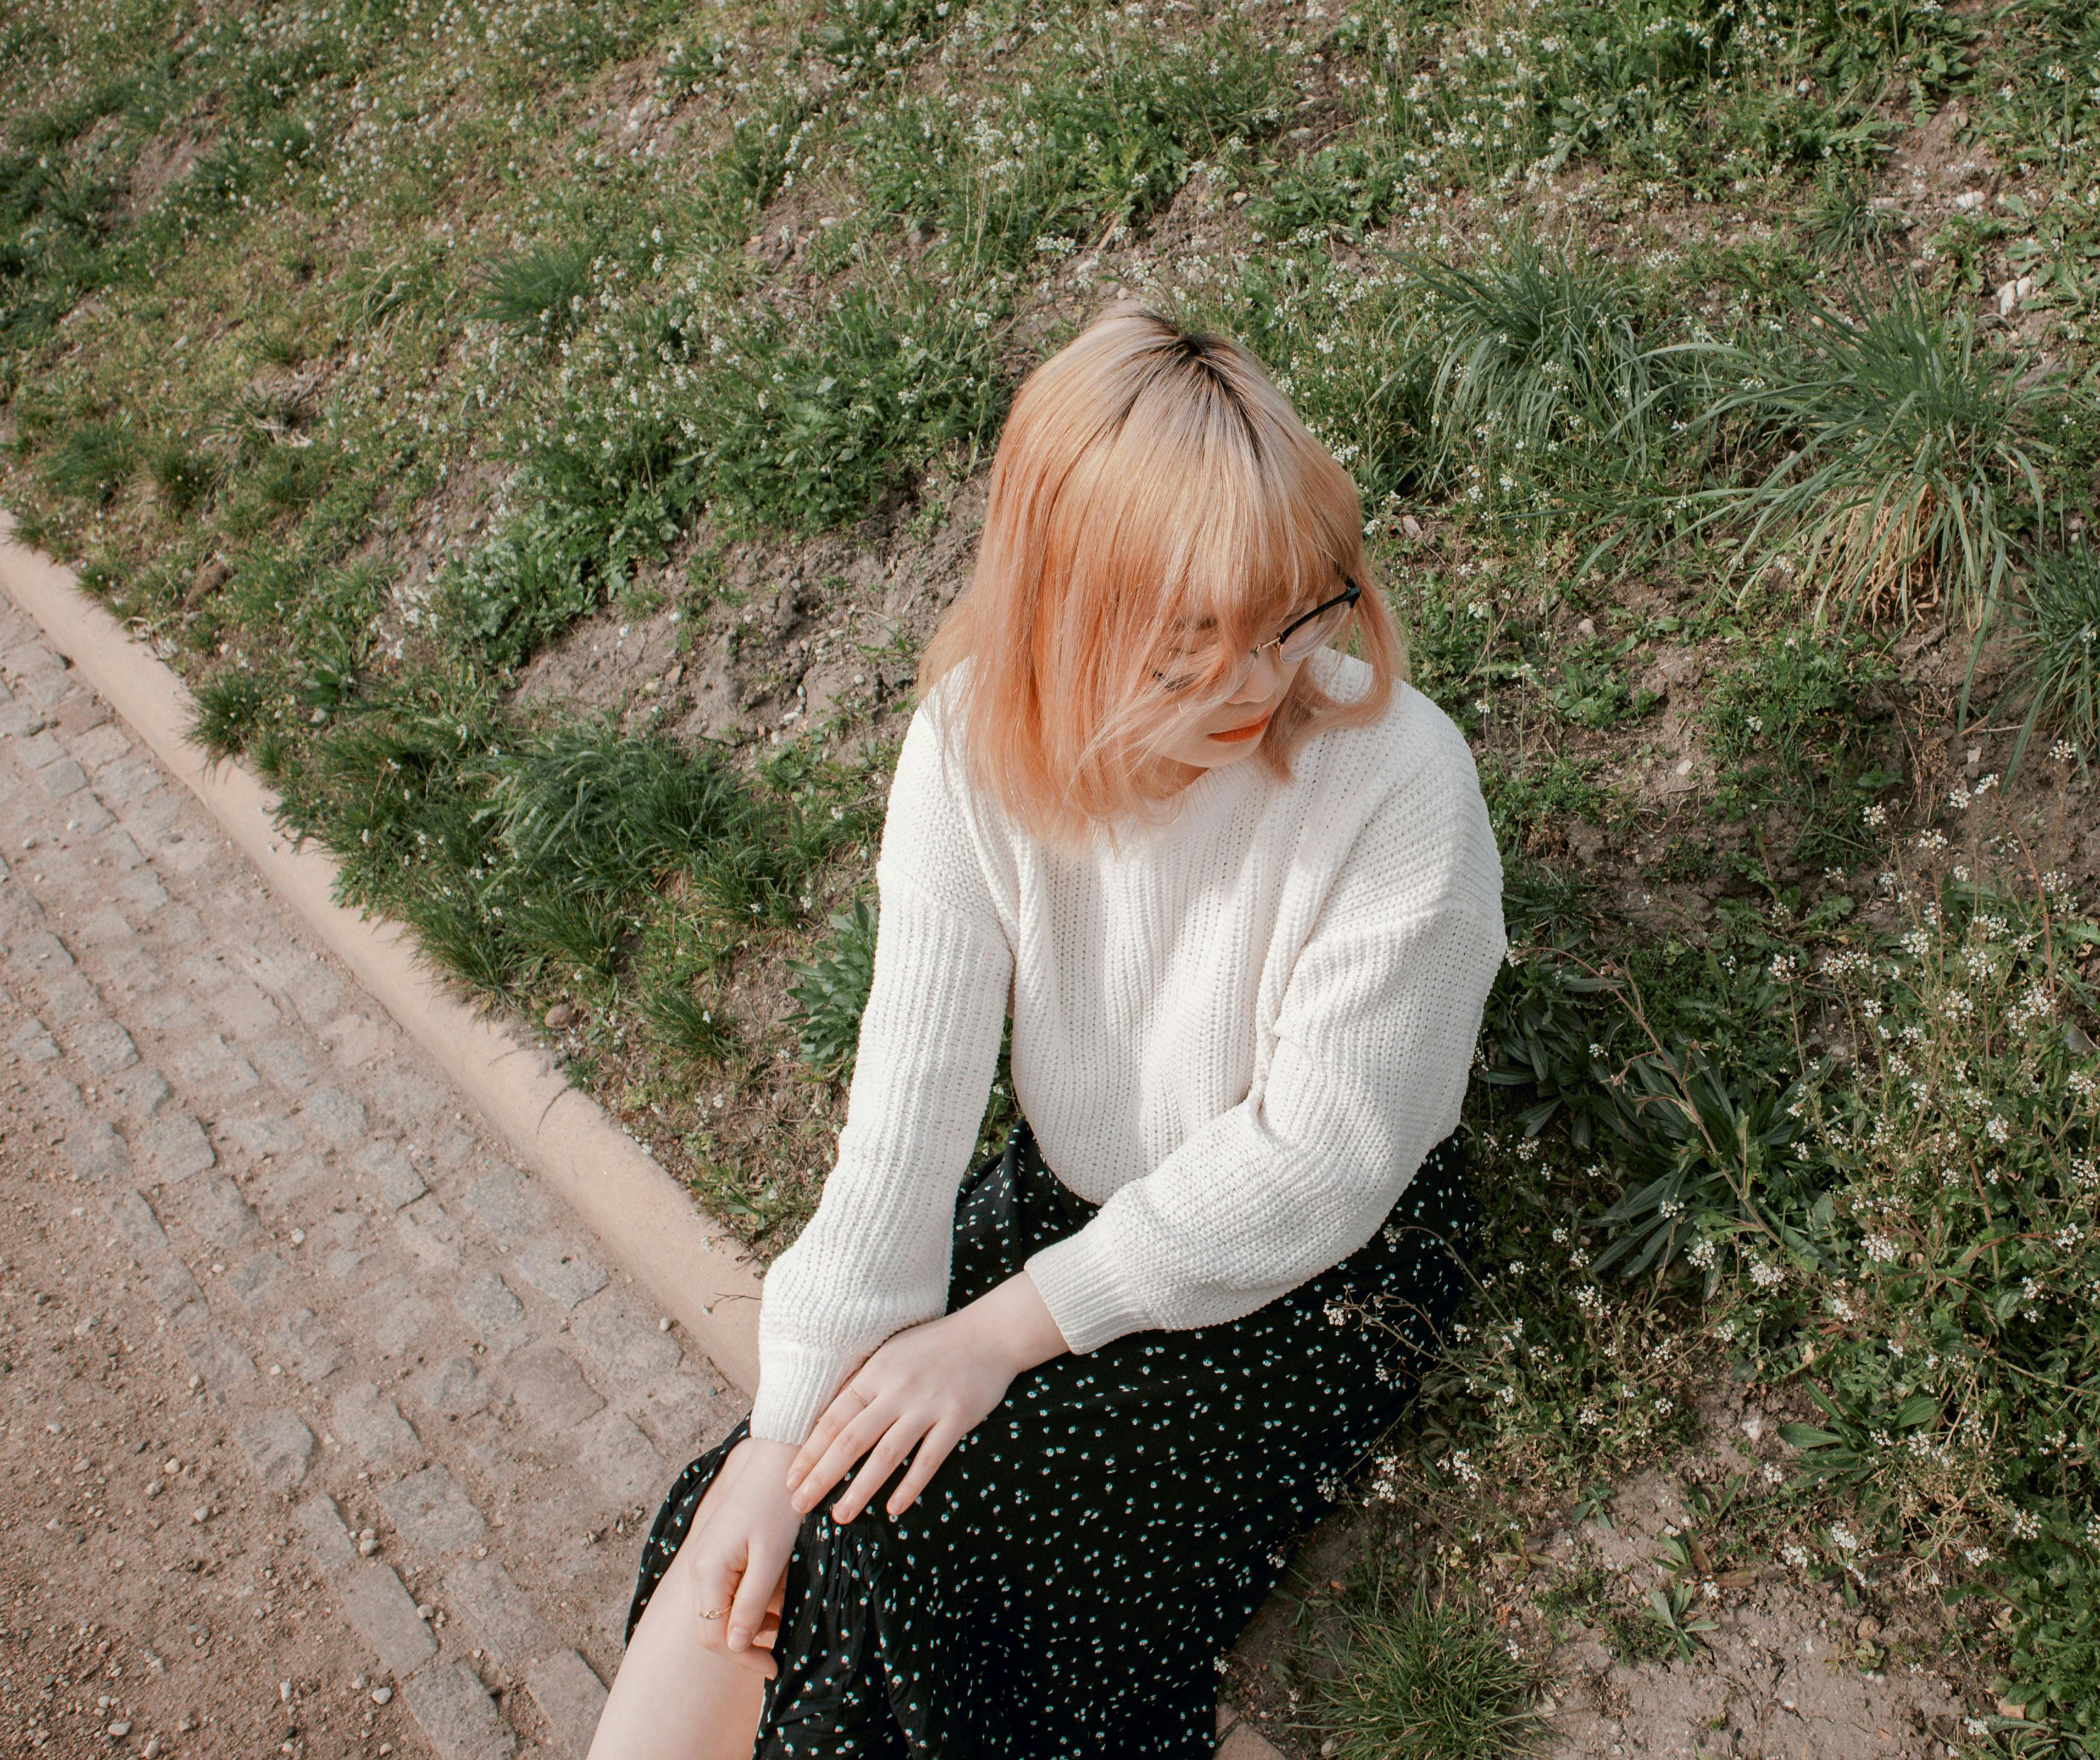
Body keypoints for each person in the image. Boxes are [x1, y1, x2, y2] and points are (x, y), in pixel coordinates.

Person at [586, 301, 1510, 1760]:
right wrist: (779, 1431)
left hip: (1320, 1277)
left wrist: (999, 1336)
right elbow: (903, 1123)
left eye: (1289, 618)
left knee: (894, 1548)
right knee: (755, 1518)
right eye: (1186, 651)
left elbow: (1325, 1161)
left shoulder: (1401, 781)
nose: (1258, 682)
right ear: (1065, 623)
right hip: (1065, 1209)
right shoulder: (974, 747)